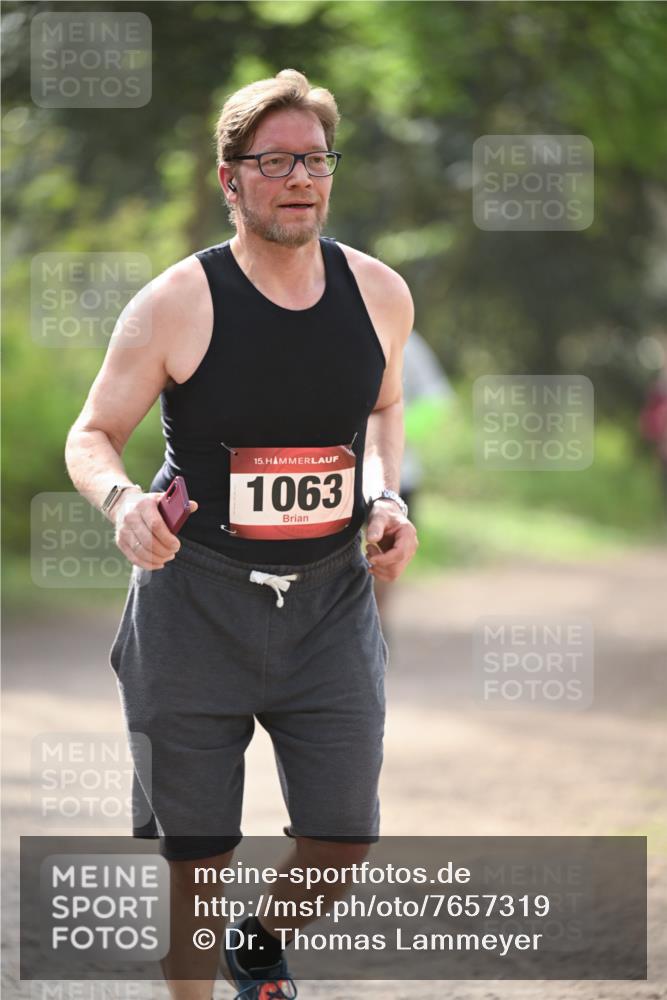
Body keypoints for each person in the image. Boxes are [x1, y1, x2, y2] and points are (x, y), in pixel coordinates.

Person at [65, 68, 417, 1000]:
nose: (299, 177)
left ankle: (256, 941)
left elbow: (383, 413)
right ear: (230, 179)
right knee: (197, 861)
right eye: (274, 162)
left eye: (314, 159)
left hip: (330, 605)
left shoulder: (379, 293)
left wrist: (386, 500)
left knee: (344, 837)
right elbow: (92, 434)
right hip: (195, 603)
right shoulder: (174, 302)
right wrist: (121, 501)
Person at [373, 329, 453, 626]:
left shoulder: (404, 338)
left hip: (397, 478)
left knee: (385, 559)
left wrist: (390, 435)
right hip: (336, 477)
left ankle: (379, 625)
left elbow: (438, 400)